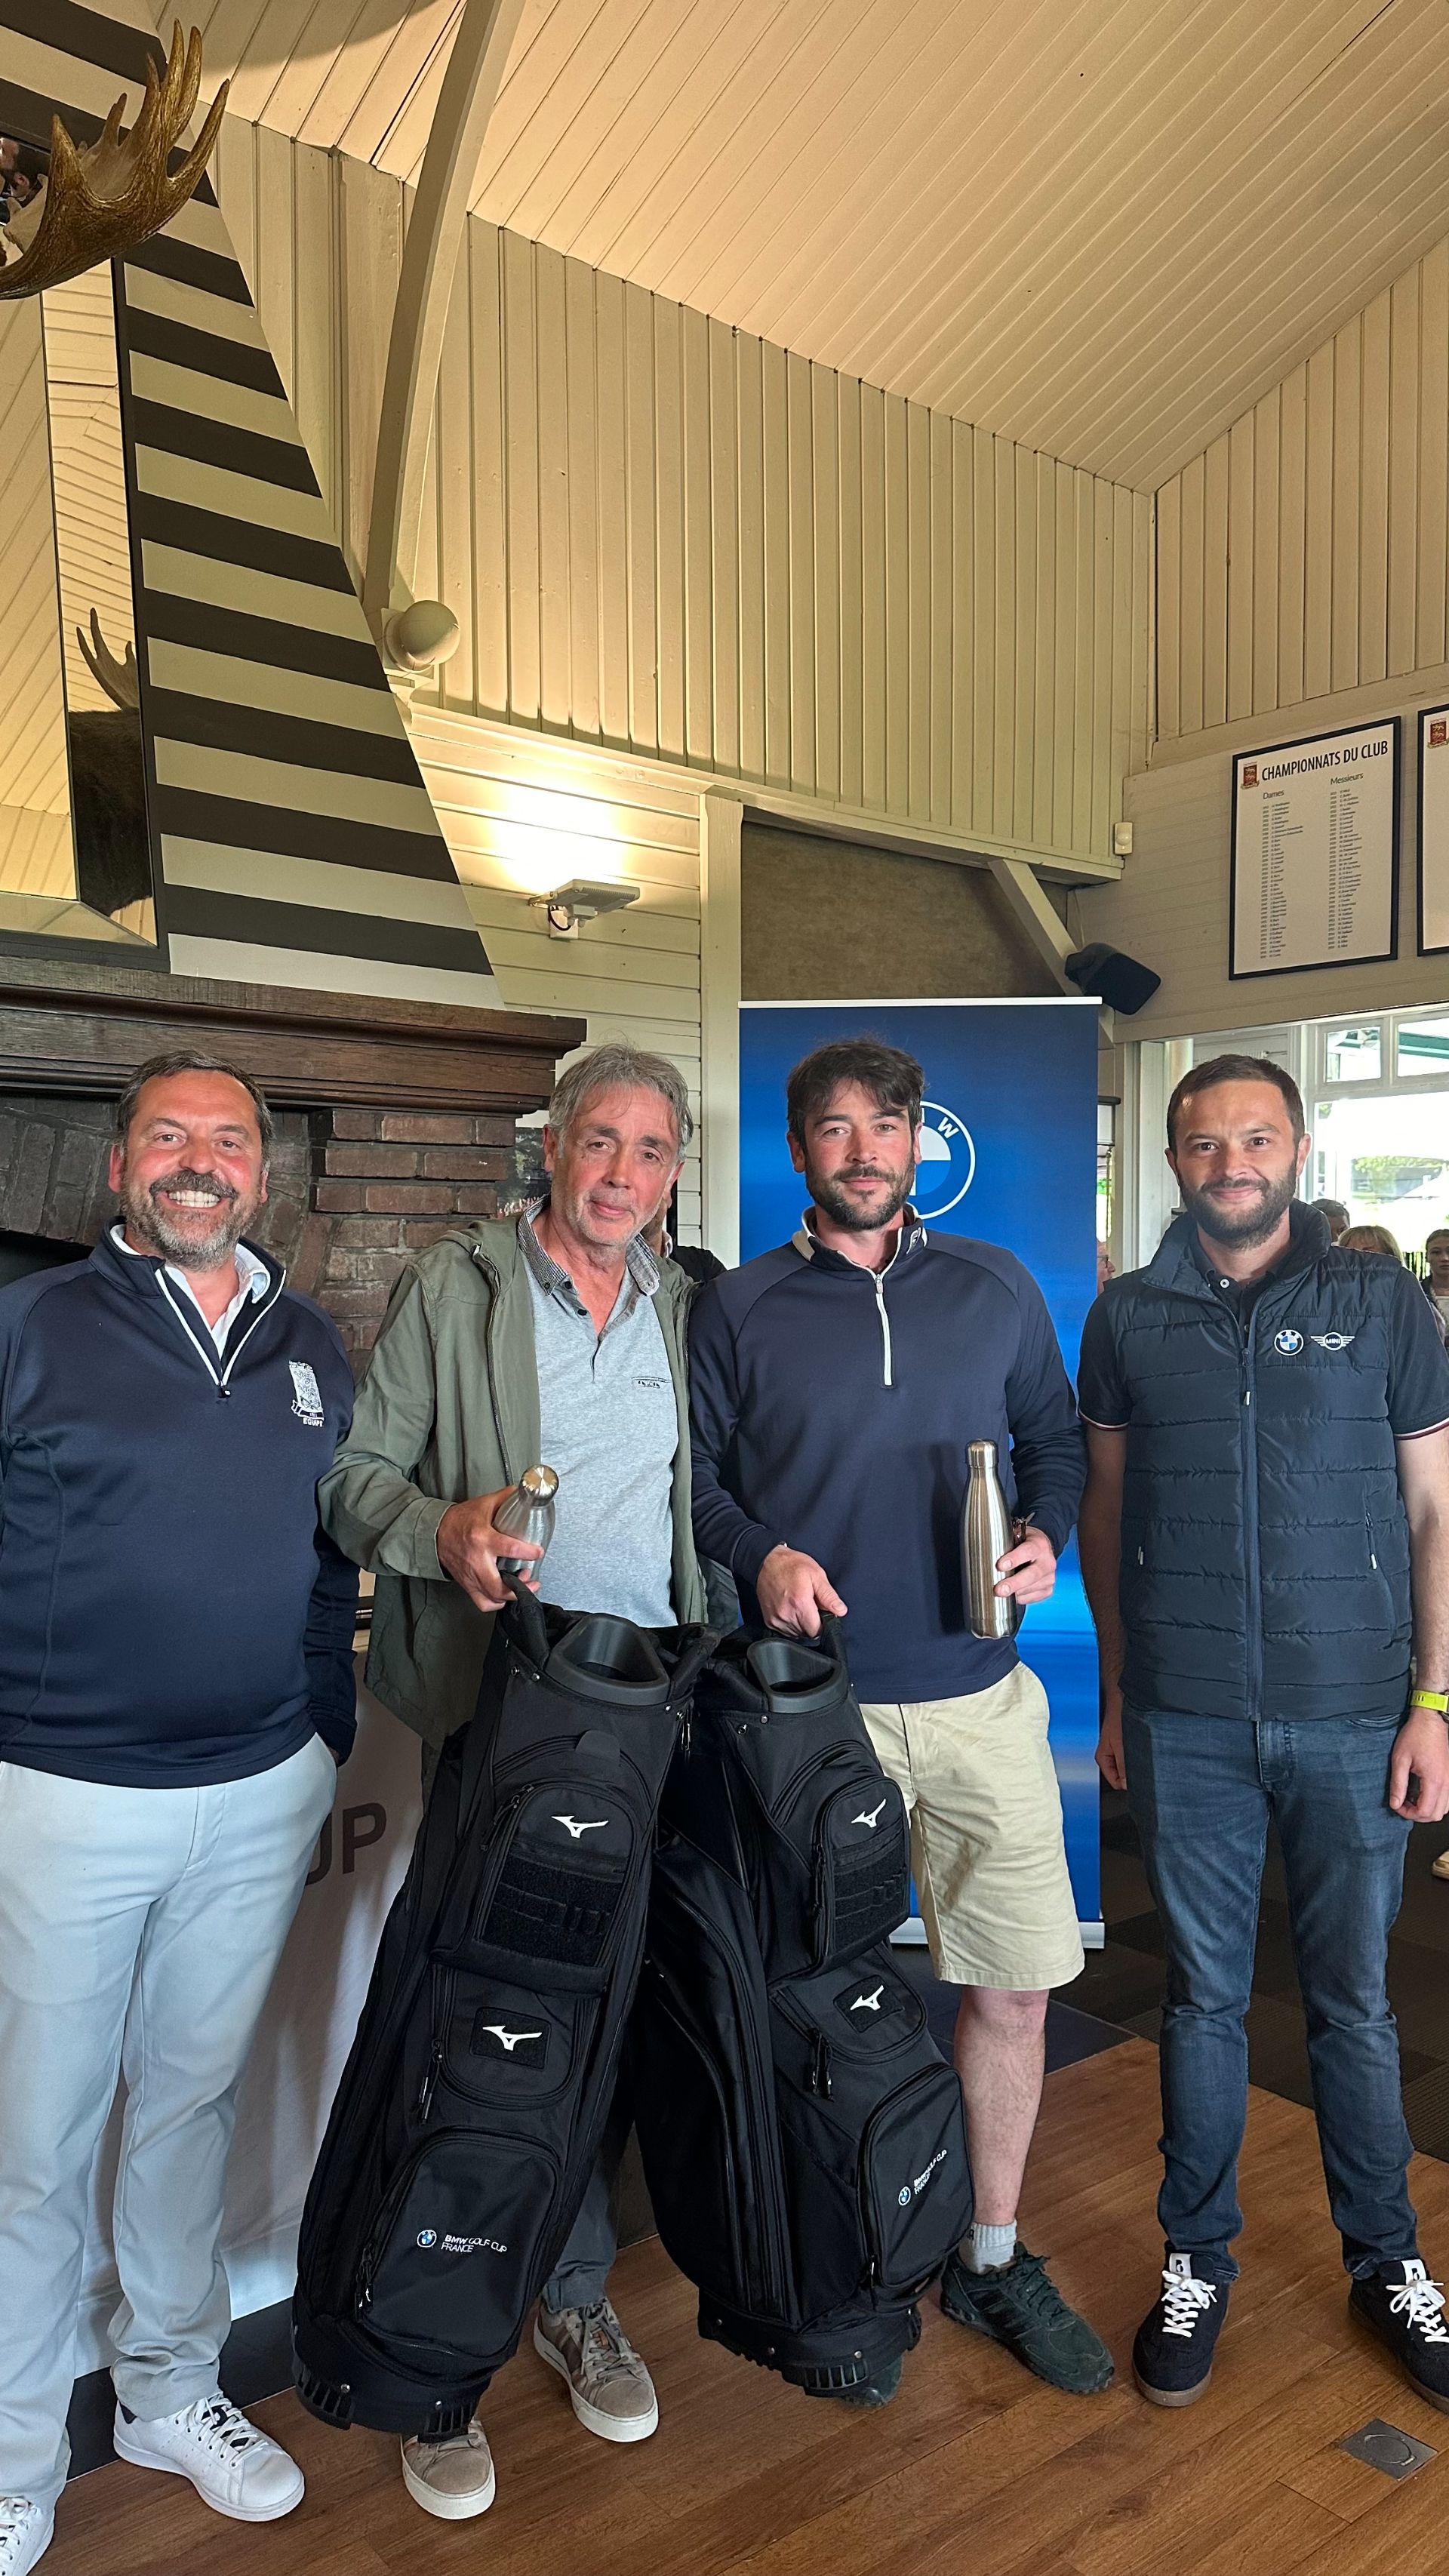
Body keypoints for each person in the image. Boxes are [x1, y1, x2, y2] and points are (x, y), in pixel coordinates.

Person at [688, 1035, 1112, 2404]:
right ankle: (842, 2266)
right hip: (815, 1720)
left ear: (919, 1139)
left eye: (887, 1125)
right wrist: (759, 1554)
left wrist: (1047, 1531)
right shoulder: (738, 1306)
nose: (864, 1150)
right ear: (798, 1149)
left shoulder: (996, 1283)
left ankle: (987, 2253)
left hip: (983, 1703)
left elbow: (1055, 1442)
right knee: (819, 2000)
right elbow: (697, 1484)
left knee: (1013, 1986)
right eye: (835, 1127)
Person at [320, 1039, 706, 2523]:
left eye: (650, 1150)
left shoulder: (682, 1302)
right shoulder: (459, 1285)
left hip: (647, 1714)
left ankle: (570, 2293)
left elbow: (695, 1509)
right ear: (554, 1147)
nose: (622, 1173)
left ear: (673, 1171)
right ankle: (435, 2357)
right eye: (600, 1141)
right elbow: (353, 1481)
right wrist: (449, 1529)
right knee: (477, 2026)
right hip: (507, 1709)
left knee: (598, 2021)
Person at [0, 1053, 358, 2576]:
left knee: (190, 2110)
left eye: (226, 1140)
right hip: (63, 1795)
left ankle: (165, 2390)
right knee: (34, 2142)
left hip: (259, 1795)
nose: (198, 1160)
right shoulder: (31, 1324)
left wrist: (323, 1736)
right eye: (168, 1136)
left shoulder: (311, 1343)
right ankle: (15, 2456)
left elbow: (332, 1555)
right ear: (119, 1168)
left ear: (262, 1177)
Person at [1078, 1052, 1449, 2412]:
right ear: (1175, 1160)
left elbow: (1436, 1511)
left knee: (1354, 2001)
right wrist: (1117, 1688)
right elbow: (1104, 1509)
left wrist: (1436, 1703)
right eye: (1204, 1142)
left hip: (1357, 1712)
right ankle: (1197, 2256)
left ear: (1297, 1148)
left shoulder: (1380, 1300)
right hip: (1186, 1714)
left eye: (1256, 1137)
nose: (1231, 1162)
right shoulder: (1125, 1315)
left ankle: (1389, 2261)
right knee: (1202, 2000)